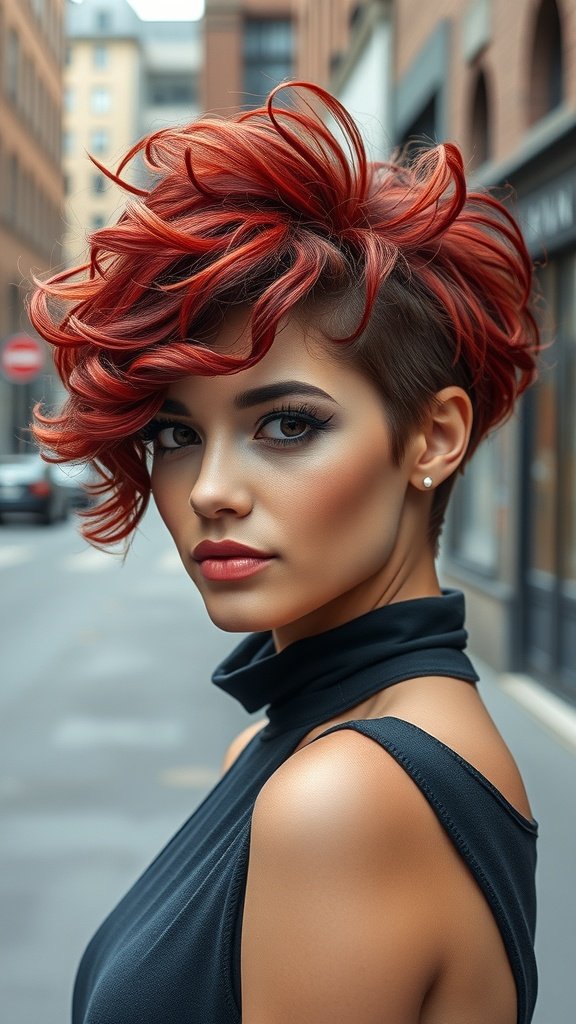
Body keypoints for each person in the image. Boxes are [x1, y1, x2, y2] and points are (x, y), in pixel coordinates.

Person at [30, 81, 539, 1024]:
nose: (212, 489)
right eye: (178, 435)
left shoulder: (347, 795)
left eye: (289, 424)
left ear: (433, 439)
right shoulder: (301, 745)